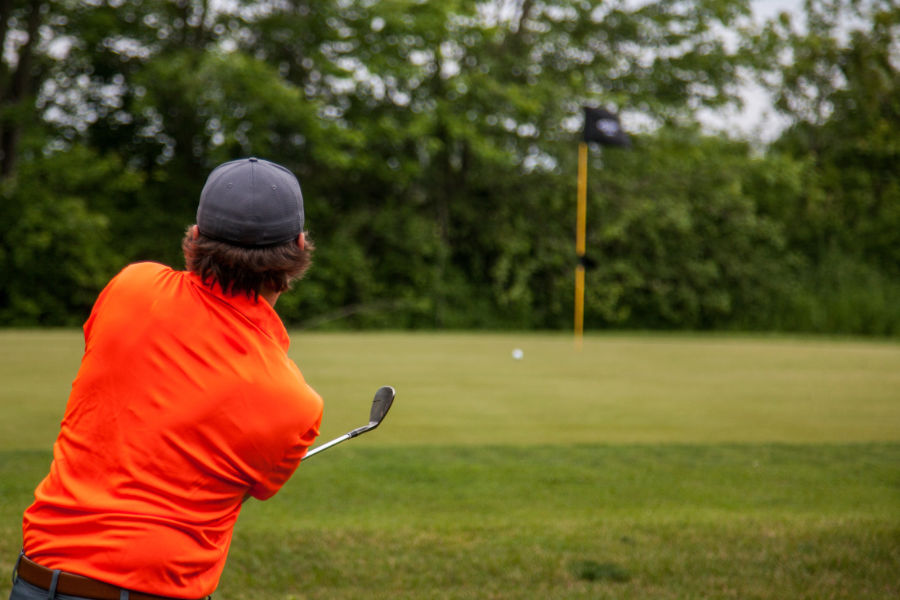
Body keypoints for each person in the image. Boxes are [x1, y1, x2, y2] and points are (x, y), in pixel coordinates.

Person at [9, 157, 324, 600]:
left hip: (38, 580)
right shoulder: (297, 405)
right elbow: (255, 488)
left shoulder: (130, 288)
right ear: (298, 246)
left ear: (195, 238)